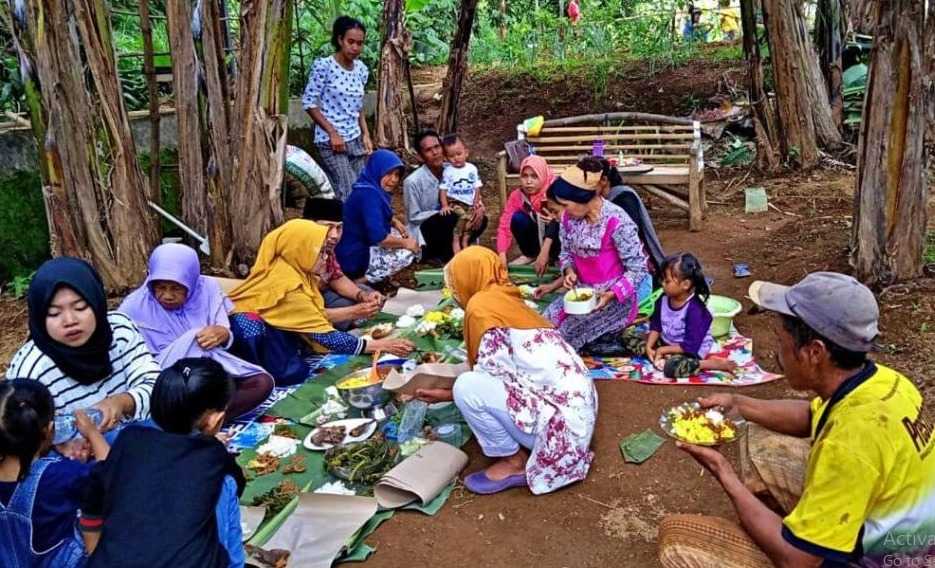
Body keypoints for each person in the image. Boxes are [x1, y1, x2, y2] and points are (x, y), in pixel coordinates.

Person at [658, 273, 935, 568]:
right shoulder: (886, 382)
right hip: (905, 537)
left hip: (878, 560)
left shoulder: (851, 442)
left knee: (675, 541)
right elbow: (808, 416)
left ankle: (790, 539)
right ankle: (795, 531)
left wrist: (723, 471)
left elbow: (800, 562)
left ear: (814, 352)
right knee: (759, 439)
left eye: (782, 341)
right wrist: (738, 403)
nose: (777, 354)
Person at [414, 247, 597, 496]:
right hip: (578, 418)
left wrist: (447, 394)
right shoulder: (506, 296)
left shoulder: (480, 306)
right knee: (468, 384)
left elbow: (492, 379)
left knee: (466, 387)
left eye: (456, 282)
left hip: (562, 436)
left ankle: (514, 463)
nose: (455, 291)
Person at [80, 358, 246, 568]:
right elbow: (231, 553)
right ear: (215, 420)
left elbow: (91, 506)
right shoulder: (215, 465)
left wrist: (98, 555)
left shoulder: (129, 440)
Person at [228, 220, 413, 385]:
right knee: (295, 373)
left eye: (339, 228)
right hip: (253, 350)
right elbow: (326, 337)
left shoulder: (291, 269)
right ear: (300, 248)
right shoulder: (288, 286)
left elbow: (311, 315)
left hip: (270, 338)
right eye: (320, 252)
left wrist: (359, 305)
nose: (325, 258)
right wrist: (381, 345)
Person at [6, 258, 160, 440]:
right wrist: (60, 444)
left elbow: (157, 387)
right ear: (39, 317)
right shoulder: (33, 370)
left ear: (96, 302)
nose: (70, 320)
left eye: (80, 307)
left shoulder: (120, 330)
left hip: (142, 434)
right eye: (54, 313)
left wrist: (123, 402)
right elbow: (21, 437)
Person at [119, 244, 274, 419]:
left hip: (211, 368)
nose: (167, 296)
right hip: (170, 382)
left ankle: (207, 420)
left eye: (176, 288)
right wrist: (187, 345)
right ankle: (192, 422)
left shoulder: (207, 288)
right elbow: (130, 362)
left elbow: (224, 331)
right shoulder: (133, 307)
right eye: (161, 287)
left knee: (261, 383)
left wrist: (221, 333)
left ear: (191, 282)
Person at [542, 165, 652, 351]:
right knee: (543, 323)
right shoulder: (569, 220)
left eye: (566, 205)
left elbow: (638, 268)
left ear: (582, 198)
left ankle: (612, 334)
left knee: (563, 338)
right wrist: (569, 271)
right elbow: (566, 253)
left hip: (614, 299)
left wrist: (611, 294)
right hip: (582, 293)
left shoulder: (617, 221)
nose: (564, 211)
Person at [0, 380, 105, 567]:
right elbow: (111, 474)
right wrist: (92, 434)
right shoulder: (61, 474)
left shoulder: (62, 474)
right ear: (48, 430)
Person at [621, 253, 736, 378]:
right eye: (662, 280)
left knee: (672, 368)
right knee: (627, 335)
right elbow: (656, 326)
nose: (662, 284)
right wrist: (649, 346)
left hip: (690, 351)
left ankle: (708, 364)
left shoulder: (696, 310)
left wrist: (661, 350)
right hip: (667, 342)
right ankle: (662, 355)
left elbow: (690, 346)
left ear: (685, 284)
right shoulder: (663, 299)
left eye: (667, 281)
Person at [301, 16, 372, 201]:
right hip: (331, 141)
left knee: (363, 187)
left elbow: (358, 106)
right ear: (340, 40)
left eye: (359, 43)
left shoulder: (362, 70)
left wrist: (366, 134)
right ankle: (344, 228)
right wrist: (332, 132)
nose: (355, 48)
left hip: (355, 138)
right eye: (351, 42)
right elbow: (309, 102)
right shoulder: (324, 66)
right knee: (347, 191)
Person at [336, 149, 419, 284]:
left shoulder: (366, 187)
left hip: (350, 247)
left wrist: (394, 222)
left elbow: (373, 215)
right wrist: (405, 243)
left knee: (402, 235)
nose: (393, 180)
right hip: (354, 257)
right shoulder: (369, 196)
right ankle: (361, 280)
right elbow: (379, 238)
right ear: (377, 170)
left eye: (397, 175)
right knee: (407, 252)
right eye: (388, 174)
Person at [403, 130, 487, 263]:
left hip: (456, 216)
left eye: (437, 147)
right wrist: (442, 211)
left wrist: (480, 207)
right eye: (428, 150)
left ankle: (457, 250)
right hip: (428, 229)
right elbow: (413, 217)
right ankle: (436, 253)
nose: (435, 152)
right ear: (420, 156)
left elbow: (470, 191)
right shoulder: (412, 182)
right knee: (450, 217)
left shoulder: (454, 169)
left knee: (480, 218)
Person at [303, 197, 385, 331]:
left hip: (321, 295)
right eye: (328, 227)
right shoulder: (294, 252)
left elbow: (336, 277)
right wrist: (354, 311)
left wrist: (362, 295)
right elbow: (302, 314)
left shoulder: (326, 250)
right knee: (344, 304)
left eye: (339, 228)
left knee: (367, 292)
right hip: (303, 309)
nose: (334, 235)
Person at [586, 156, 665, 276]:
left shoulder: (625, 198)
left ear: (604, 180)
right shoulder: (600, 200)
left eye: (587, 182)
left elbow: (630, 236)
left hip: (637, 264)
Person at [496, 155, 560, 275]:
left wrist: (556, 219)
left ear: (543, 175)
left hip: (556, 239)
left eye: (534, 176)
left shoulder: (555, 191)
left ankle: (555, 257)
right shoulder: (518, 196)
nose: (529, 181)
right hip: (536, 233)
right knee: (518, 218)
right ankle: (531, 254)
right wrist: (502, 253)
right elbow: (505, 224)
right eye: (525, 176)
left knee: (556, 223)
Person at [438, 134, 484, 254]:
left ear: (466, 153)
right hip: (455, 202)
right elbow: (443, 189)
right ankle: (456, 237)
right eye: (451, 156)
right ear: (446, 158)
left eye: (459, 154)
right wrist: (444, 205)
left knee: (471, 220)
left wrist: (476, 203)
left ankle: (466, 239)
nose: (456, 158)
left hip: (469, 203)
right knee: (463, 216)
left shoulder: (472, 169)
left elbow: (477, 187)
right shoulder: (448, 171)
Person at [282, 144, 336, 210]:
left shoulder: (286, 167)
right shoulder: (287, 149)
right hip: (328, 197)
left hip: (320, 203)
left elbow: (302, 199)